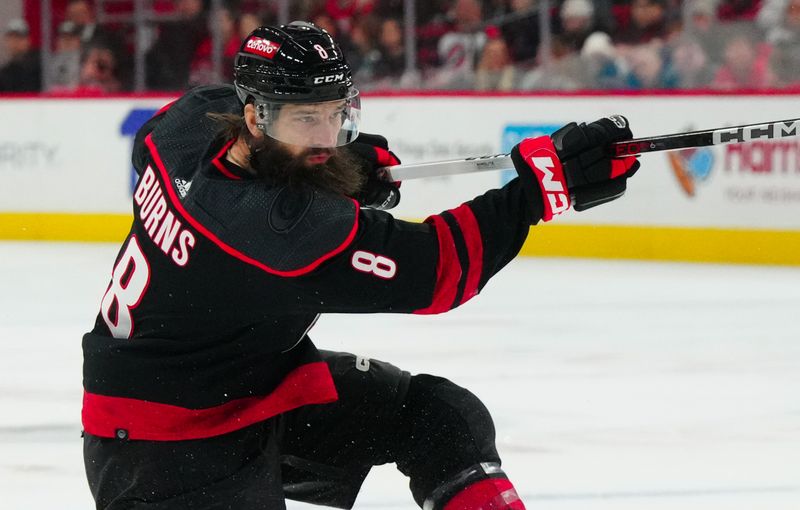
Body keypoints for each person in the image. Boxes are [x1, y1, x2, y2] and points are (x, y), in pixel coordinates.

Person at [81, 21, 640, 510]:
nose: (327, 137)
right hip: (164, 448)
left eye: (336, 116)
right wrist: (540, 193)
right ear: (254, 116)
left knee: (437, 419)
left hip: (250, 386)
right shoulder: (272, 231)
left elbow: (170, 136)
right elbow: (438, 269)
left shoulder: (187, 126)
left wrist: (330, 162)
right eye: (308, 121)